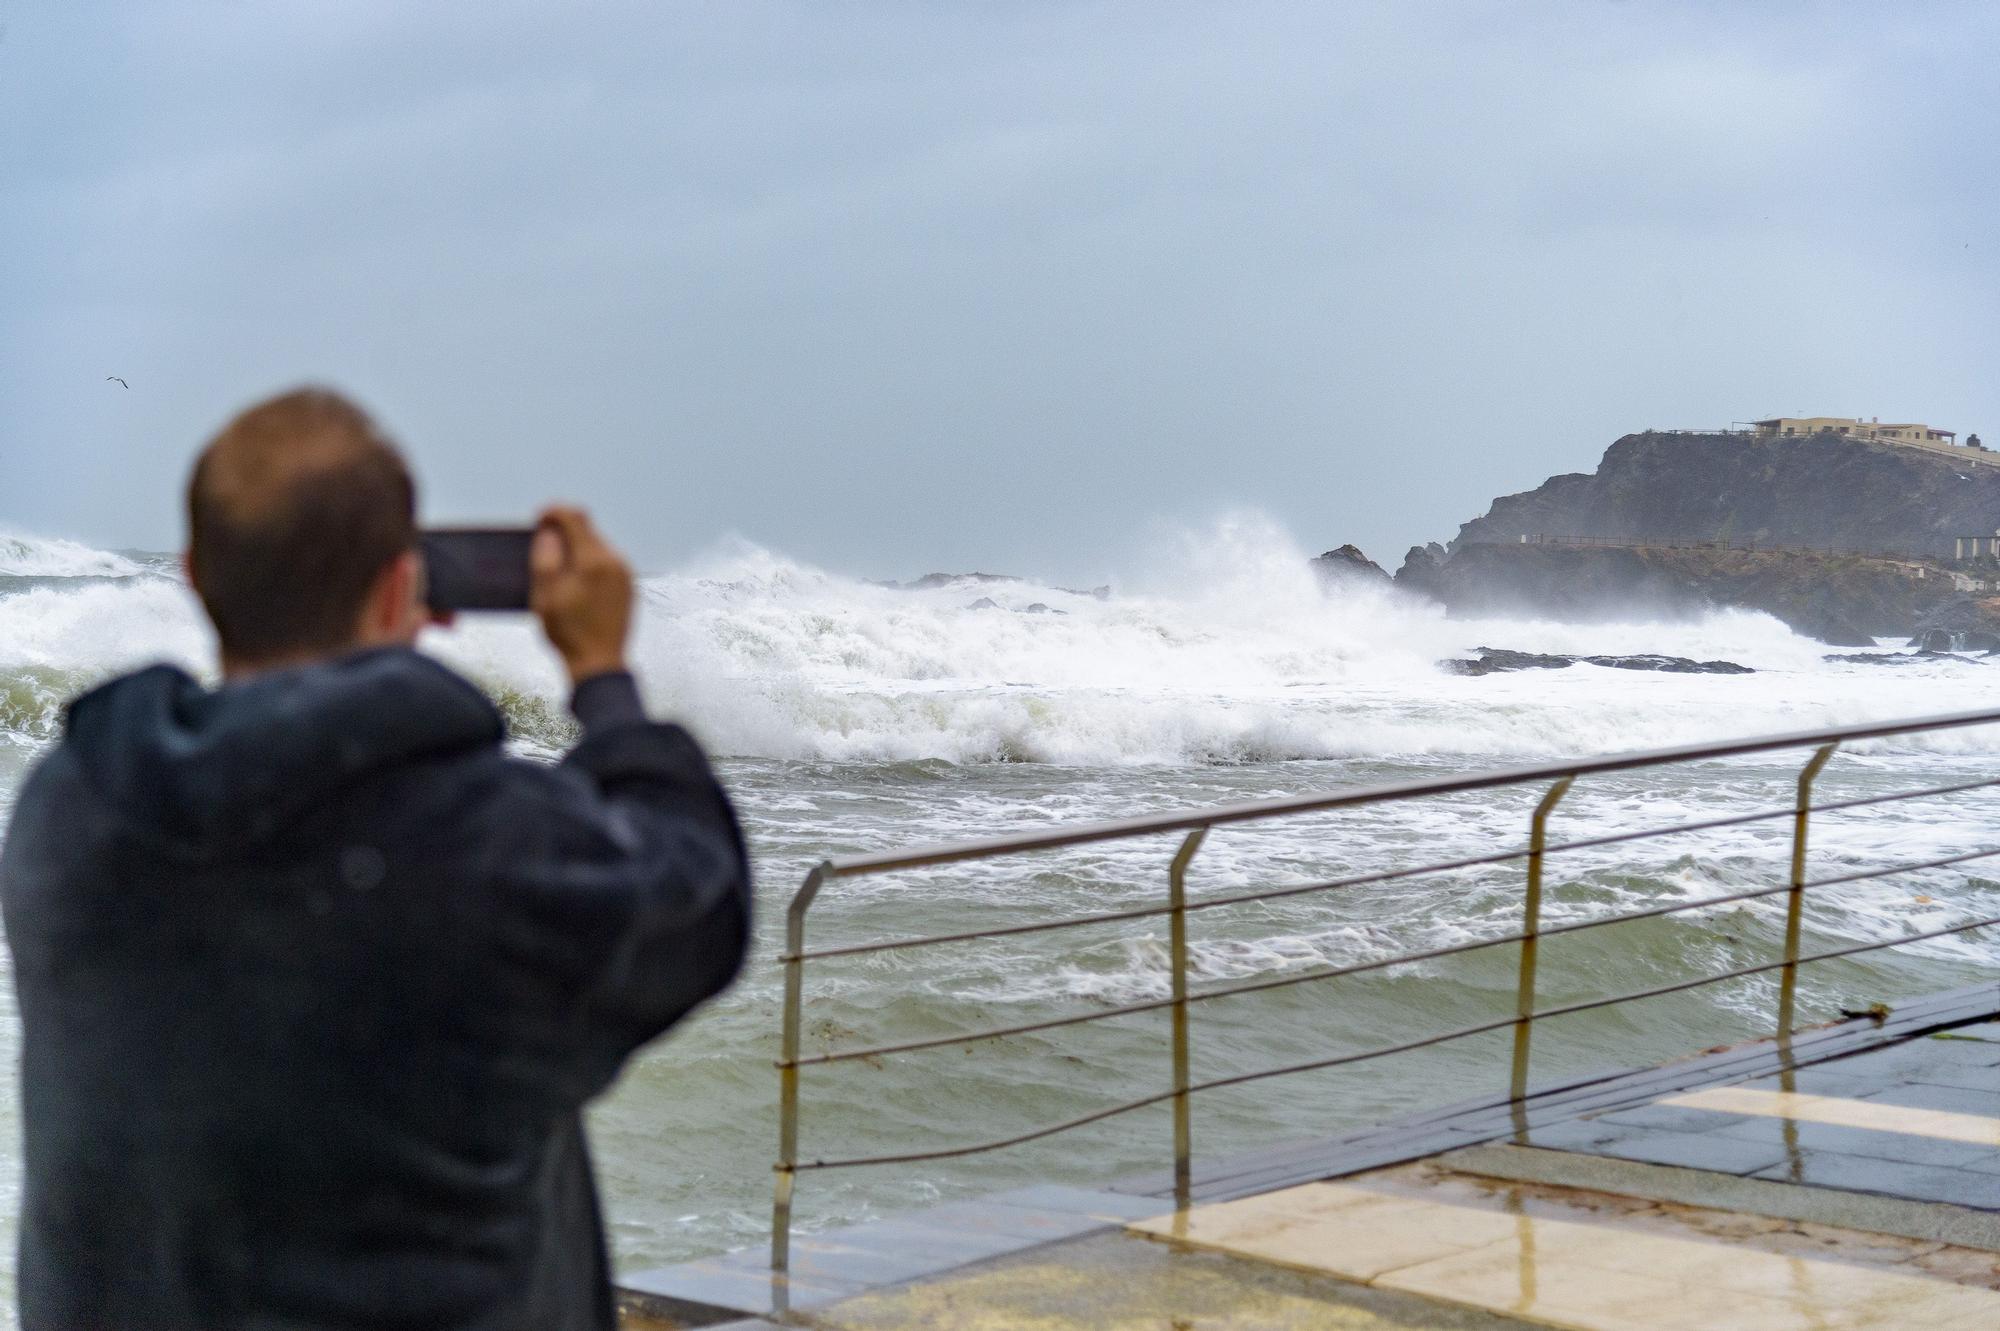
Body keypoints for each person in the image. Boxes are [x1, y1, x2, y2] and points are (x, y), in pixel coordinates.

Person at [0, 388, 752, 1330]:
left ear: (195, 575)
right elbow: (696, 894)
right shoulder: (479, 841)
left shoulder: (71, 810)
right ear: (403, 587)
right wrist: (602, 674)